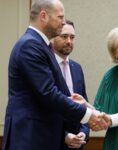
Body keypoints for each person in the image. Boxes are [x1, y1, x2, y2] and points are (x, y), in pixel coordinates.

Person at [2, 1, 107, 150]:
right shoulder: (30, 46)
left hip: (41, 137)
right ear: (43, 16)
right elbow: (49, 93)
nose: (63, 22)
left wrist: (82, 106)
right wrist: (87, 115)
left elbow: (54, 93)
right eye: (60, 17)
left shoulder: (41, 46)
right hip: (30, 138)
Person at [51, 20, 89, 149]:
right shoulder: (46, 67)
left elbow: (84, 104)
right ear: (52, 38)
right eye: (64, 36)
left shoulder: (77, 68)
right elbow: (45, 108)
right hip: (53, 142)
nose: (69, 41)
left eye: (72, 37)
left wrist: (83, 132)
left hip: (78, 143)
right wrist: (65, 136)